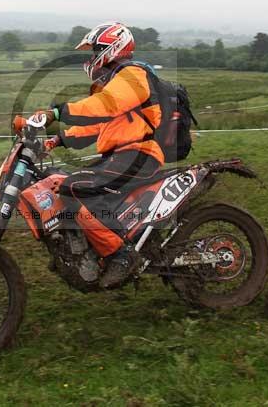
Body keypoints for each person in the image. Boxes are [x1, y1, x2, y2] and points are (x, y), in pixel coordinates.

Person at [27, 22, 165, 288]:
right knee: (62, 181)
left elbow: (103, 106)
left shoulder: (132, 75)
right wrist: (57, 140)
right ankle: (83, 250)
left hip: (139, 154)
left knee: (74, 188)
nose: (92, 59)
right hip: (122, 155)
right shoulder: (116, 81)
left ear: (112, 48)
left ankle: (121, 255)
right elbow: (97, 126)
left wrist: (56, 113)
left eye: (95, 52)